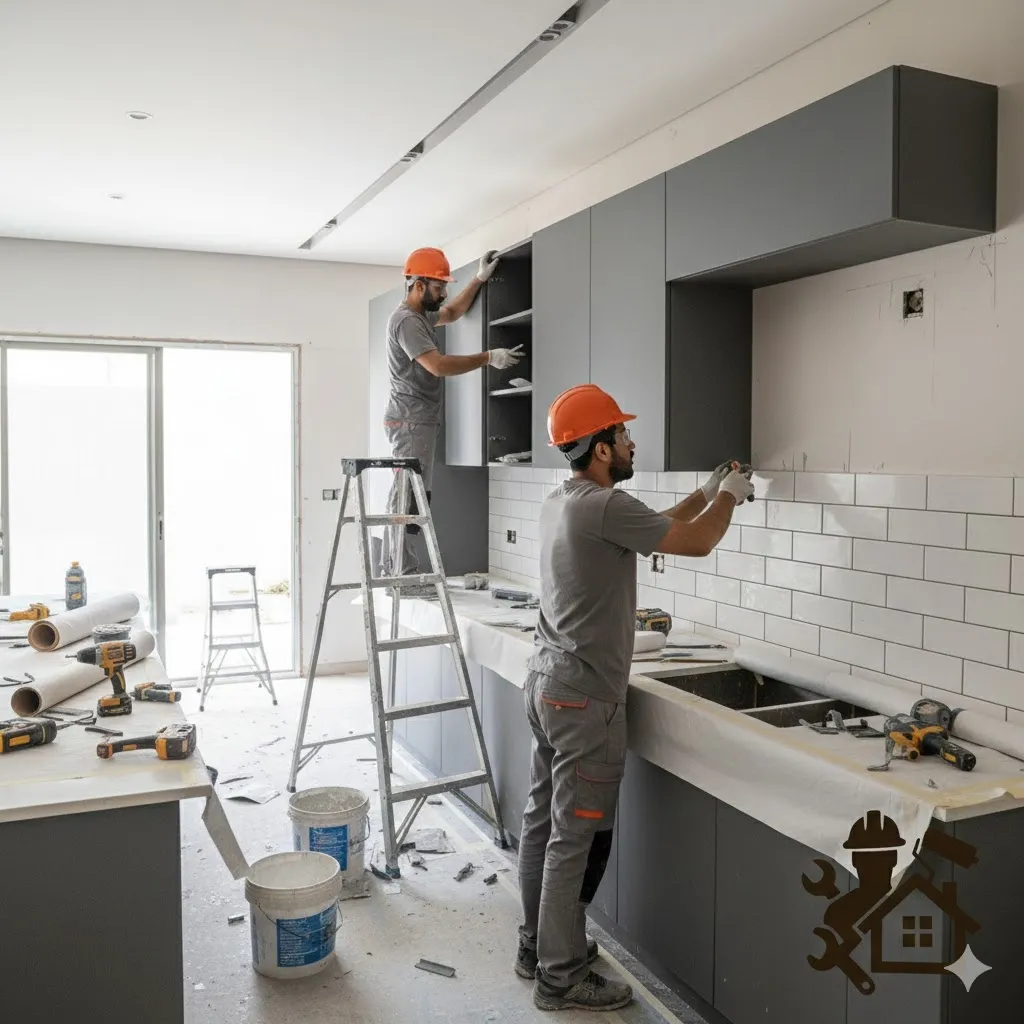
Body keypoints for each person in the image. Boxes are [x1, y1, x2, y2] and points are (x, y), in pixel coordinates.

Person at [514, 383, 755, 1012]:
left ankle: (538, 946)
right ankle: (561, 975)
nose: (630, 442)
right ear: (600, 448)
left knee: (543, 826)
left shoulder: (566, 500)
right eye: (621, 434)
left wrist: (708, 490)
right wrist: (731, 496)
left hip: (546, 685)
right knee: (575, 839)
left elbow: (660, 525)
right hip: (584, 700)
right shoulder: (602, 506)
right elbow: (697, 542)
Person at [382, 246, 523, 577]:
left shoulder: (421, 316)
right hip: (411, 420)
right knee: (408, 496)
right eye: (439, 286)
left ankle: (400, 569)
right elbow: (438, 365)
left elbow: (453, 312)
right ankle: (400, 572)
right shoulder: (407, 321)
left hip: (416, 419)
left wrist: (480, 278)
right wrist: (488, 357)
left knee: (414, 495)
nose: (443, 293)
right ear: (418, 285)